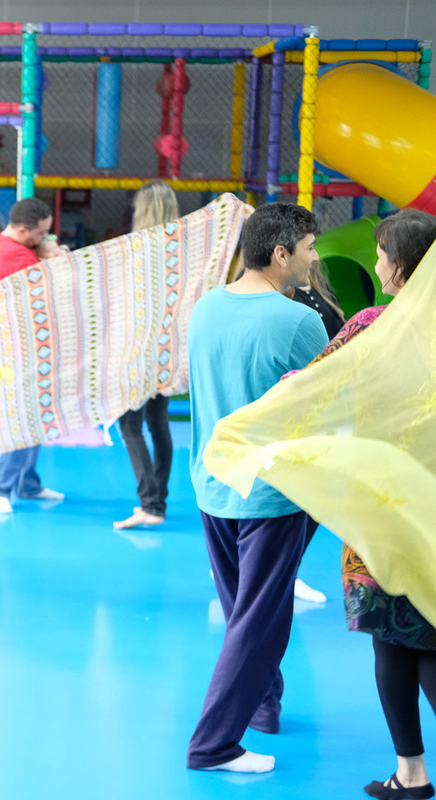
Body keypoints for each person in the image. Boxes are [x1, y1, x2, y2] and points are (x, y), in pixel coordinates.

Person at [295, 209, 436, 800]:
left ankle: (411, 772)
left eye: (380, 254)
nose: (375, 263)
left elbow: (306, 390)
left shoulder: (371, 326)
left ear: (398, 266)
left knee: (392, 634)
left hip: (381, 505)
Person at [185, 202, 329, 774]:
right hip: (269, 492)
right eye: (310, 248)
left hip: (212, 482)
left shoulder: (204, 309)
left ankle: (263, 708)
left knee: (241, 607)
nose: (314, 258)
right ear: (280, 254)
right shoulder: (298, 321)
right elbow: (325, 400)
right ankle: (214, 743)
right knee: (260, 621)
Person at [0, 197, 64, 514]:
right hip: (17, 352)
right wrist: (53, 257)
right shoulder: (13, 257)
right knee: (25, 420)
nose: (44, 238)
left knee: (38, 416)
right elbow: (52, 284)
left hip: (30, 347)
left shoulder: (18, 246)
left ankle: (27, 483)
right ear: (22, 229)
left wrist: (46, 250)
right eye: (40, 233)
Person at [115, 181, 179, 530]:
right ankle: (159, 500)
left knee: (130, 426)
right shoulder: (181, 247)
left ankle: (150, 504)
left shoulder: (136, 247)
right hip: (168, 349)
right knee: (158, 424)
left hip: (138, 350)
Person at [287, 260, 347, 602]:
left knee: (319, 495)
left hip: (327, 406)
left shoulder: (323, 292)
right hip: (300, 407)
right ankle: (274, 568)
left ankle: (287, 568)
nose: (312, 253)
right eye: (306, 245)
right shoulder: (283, 296)